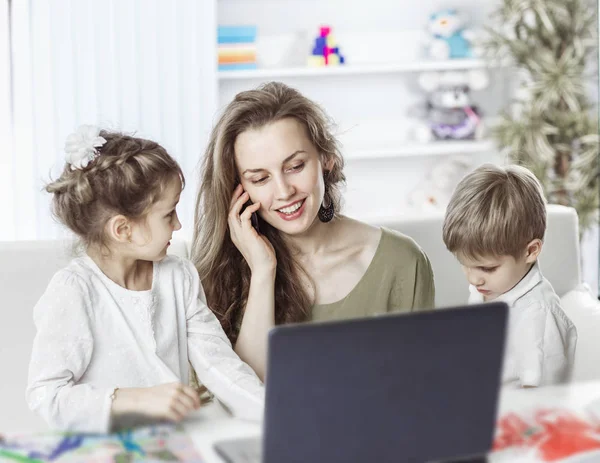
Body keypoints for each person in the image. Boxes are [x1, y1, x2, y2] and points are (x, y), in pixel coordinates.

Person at [27, 126, 264, 433]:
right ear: (123, 230)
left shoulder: (178, 276)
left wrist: (274, 413)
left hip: (171, 445)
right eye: (169, 214)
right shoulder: (75, 291)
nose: (178, 225)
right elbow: (47, 395)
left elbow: (220, 366)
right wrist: (132, 399)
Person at [191, 82, 435, 380]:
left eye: (295, 166)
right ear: (238, 191)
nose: (284, 192)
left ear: (325, 158)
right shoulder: (220, 273)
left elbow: (419, 386)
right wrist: (263, 271)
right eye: (260, 178)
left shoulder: (401, 261)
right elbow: (247, 395)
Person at [442, 163, 577, 388]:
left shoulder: (539, 316)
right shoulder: (488, 287)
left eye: (487, 268)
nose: (473, 279)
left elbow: (542, 400)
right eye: (465, 265)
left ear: (530, 251)